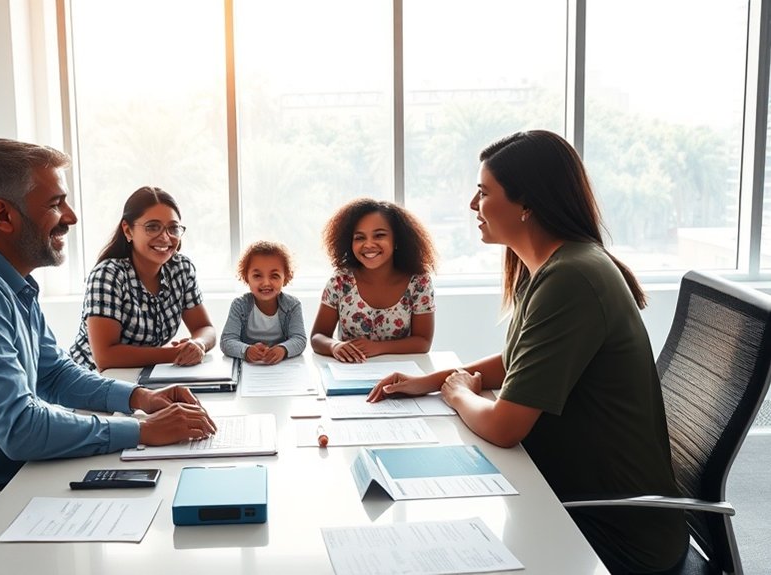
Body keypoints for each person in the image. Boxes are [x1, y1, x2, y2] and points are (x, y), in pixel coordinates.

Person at [367, 130, 688, 574]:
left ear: (527, 205)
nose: (472, 206)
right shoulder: (552, 266)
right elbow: (521, 361)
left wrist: (458, 392)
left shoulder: (572, 278)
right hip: (566, 494)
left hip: (612, 530)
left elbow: (504, 427)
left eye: (483, 193)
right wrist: (434, 379)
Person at [0, 139, 216, 558]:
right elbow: (21, 429)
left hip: (9, 482)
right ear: (4, 215)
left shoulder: (6, 280)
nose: (72, 217)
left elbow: (54, 373)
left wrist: (139, 398)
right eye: (56, 204)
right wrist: (141, 430)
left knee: (155, 515)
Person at [69, 186, 216, 371]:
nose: (165, 237)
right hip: (89, 380)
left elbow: (205, 328)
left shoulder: (181, 268)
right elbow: (105, 357)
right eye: (152, 227)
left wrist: (198, 344)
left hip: (140, 377)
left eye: (173, 228)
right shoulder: (108, 275)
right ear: (128, 230)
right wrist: (176, 353)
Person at [310, 198, 437, 363]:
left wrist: (378, 348)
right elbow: (317, 337)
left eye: (379, 235)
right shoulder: (340, 281)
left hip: (401, 373)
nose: (368, 244)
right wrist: (334, 346)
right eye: (359, 237)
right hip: (350, 372)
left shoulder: (419, 283)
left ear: (397, 240)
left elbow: (423, 342)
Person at [220, 240, 306, 364]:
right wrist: (246, 350)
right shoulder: (239, 306)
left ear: (285, 277)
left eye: (274, 276)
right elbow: (227, 341)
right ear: (246, 277)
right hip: (248, 368)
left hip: (282, 367)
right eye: (257, 276)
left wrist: (283, 350)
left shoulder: (292, 306)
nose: (266, 283)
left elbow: (299, 339)